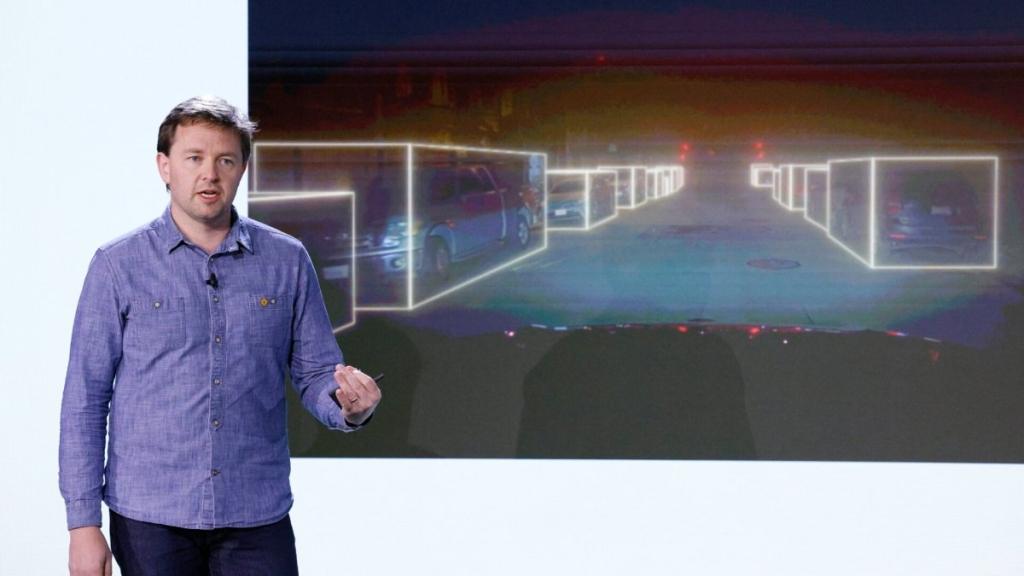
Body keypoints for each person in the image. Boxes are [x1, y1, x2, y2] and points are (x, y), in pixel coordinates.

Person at [59, 96, 381, 576]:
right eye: (194, 158)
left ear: (242, 169)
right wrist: (83, 524)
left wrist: (348, 406)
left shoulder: (287, 260)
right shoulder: (117, 265)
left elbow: (316, 373)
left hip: (255, 511)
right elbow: (85, 399)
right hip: (150, 514)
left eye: (225, 160)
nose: (209, 174)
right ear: (164, 166)